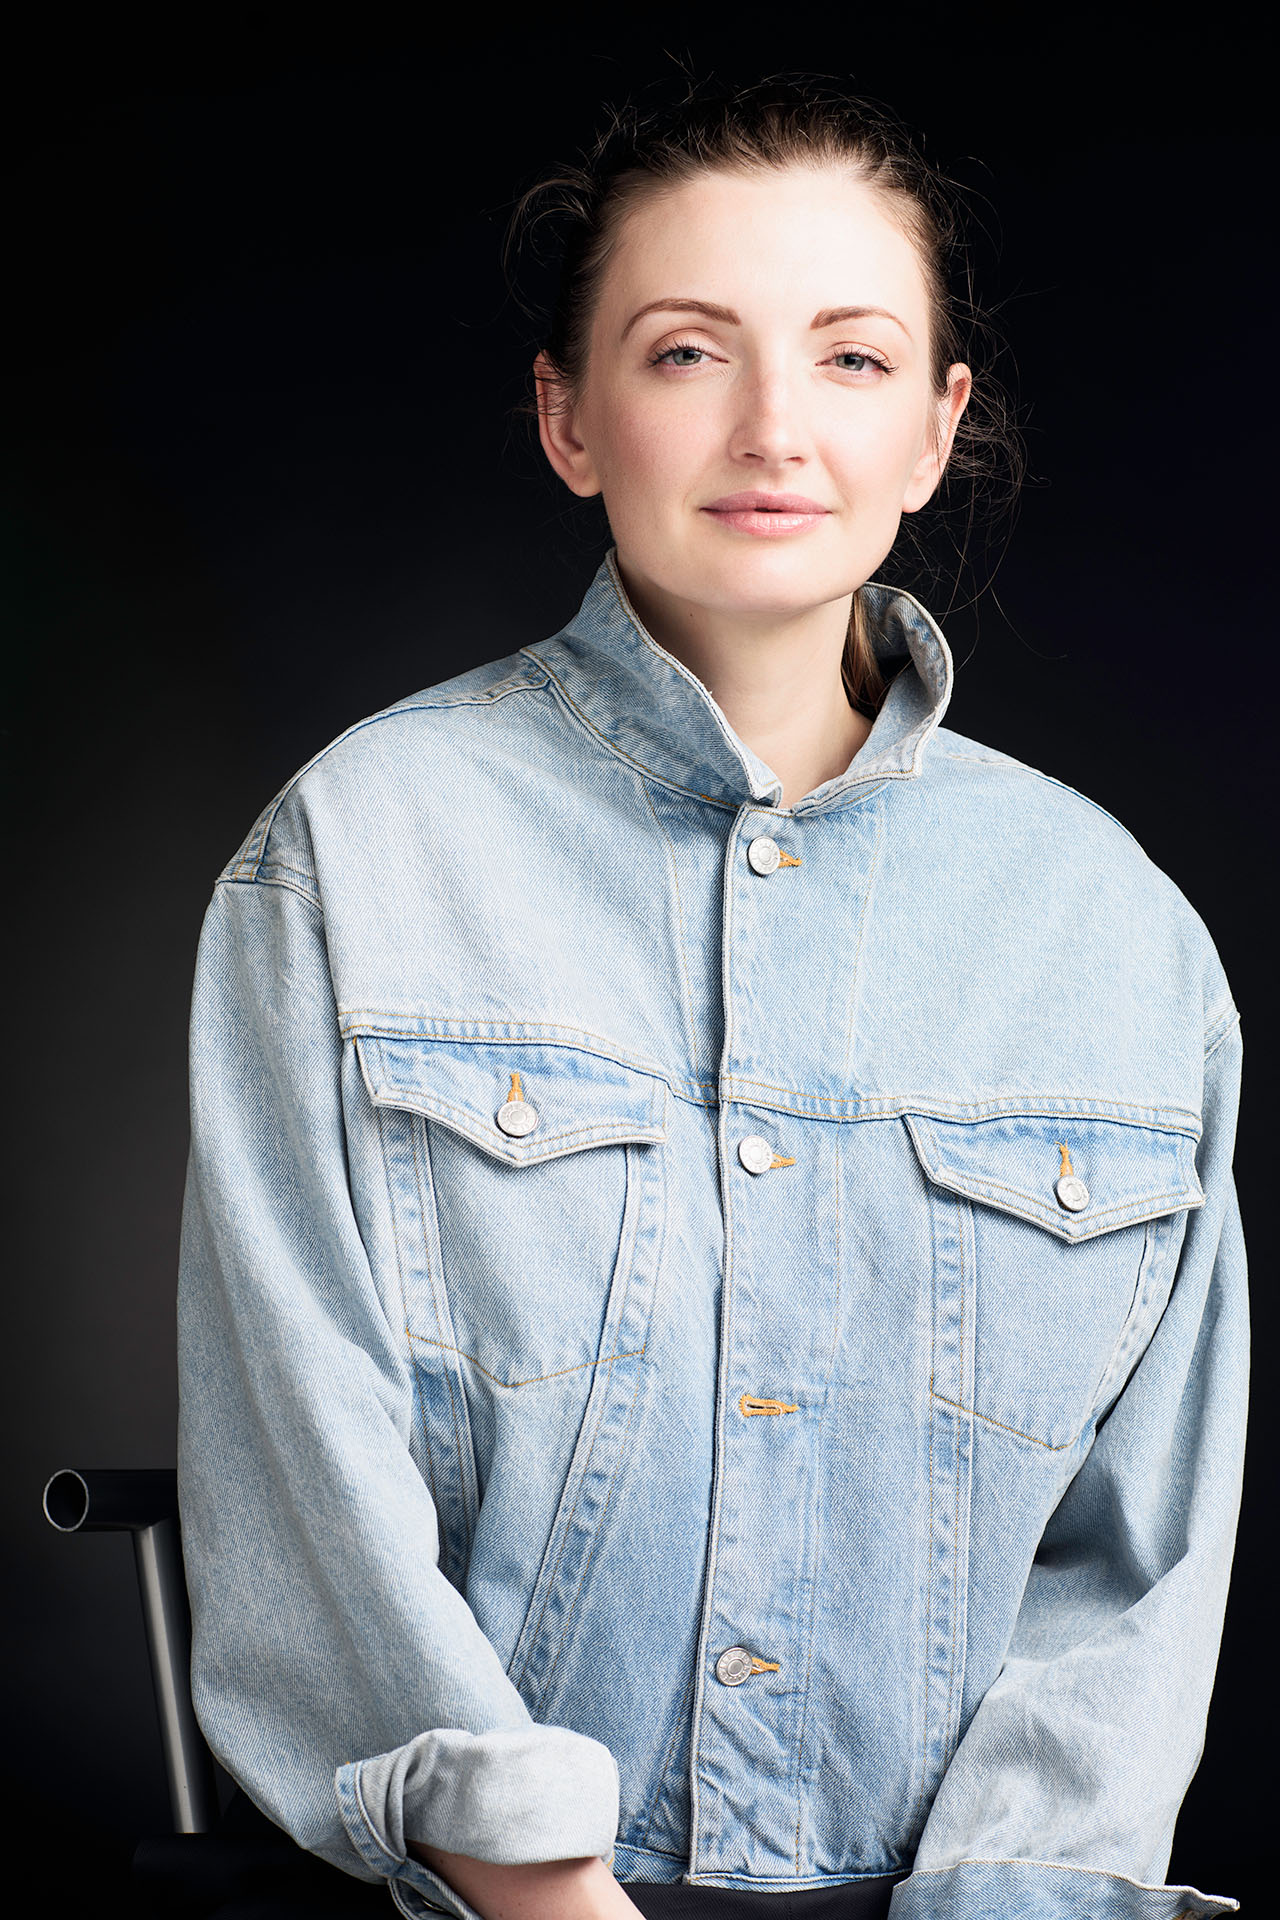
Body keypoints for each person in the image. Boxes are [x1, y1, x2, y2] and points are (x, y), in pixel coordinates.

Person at [175, 74, 1248, 1920]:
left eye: (851, 358)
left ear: (936, 430)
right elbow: (297, 1468)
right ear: (568, 418)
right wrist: (534, 1877)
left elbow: (1136, 1565)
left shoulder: (1119, 933)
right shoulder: (355, 856)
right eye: (687, 353)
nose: (773, 430)